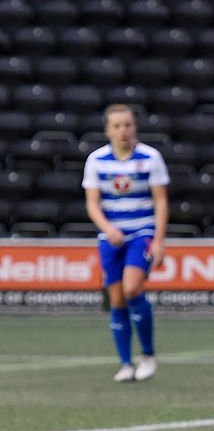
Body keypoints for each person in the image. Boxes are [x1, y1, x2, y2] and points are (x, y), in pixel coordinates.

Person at [82, 104, 168, 383]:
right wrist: (107, 228)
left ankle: (148, 354)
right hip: (110, 238)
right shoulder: (96, 160)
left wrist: (158, 241)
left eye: (128, 125)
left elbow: (160, 201)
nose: (123, 130)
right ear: (108, 130)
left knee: (132, 288)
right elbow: (93, 204)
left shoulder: (150, 158)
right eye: (117, 126)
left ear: (135, 127)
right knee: (116, 298)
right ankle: (125, 363)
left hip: (141, 233)